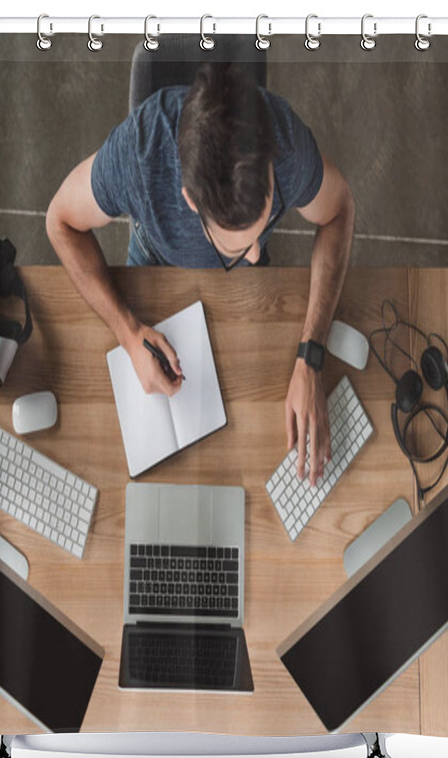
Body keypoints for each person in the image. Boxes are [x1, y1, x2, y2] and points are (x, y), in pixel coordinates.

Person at [46, 63, 355, 486]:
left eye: (262, 229)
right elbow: (59, 221)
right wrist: (128, 334)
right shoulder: (139, 155)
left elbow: (339, 210)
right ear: (190, 200)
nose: (255, 256)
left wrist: (311, 356)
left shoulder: (285, 143)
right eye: (235, 249)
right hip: (154, 261)